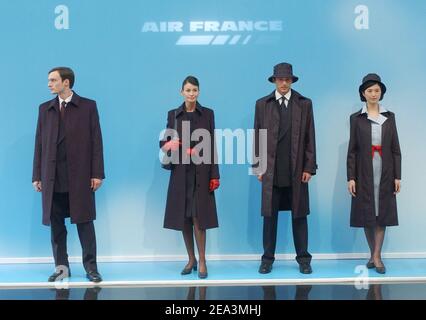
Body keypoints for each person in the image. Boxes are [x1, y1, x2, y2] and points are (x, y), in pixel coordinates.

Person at [32, 67, 105, 283]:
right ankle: (61, 268)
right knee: (56, 226)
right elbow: (39, 144)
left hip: (80, 176)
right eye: (49, 80)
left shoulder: (88, 106)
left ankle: (91, 268)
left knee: (85, 223)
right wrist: (37, 175)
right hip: (52, 177)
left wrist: (97, 173)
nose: (49, 84)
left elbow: (96, 142)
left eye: (53, 80)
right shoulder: (45, 109)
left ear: (66, 83)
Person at [253, 62, 317, 274]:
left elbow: (310, 138)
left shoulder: (304, 103)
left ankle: (304, 259)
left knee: (299, 216)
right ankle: (267, 259)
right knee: (269, 217)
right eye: (280, 79)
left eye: (287, 79)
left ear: (292, 81)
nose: (283, 83)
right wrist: (258, 166)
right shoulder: (262, 104)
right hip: (271, 170)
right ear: (274, 80)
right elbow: (257, 137)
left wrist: (309, 167)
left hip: (297, 170)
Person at [160, 76, 220, 279]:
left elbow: (212, 145)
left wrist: (215, 174)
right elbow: (164, 142)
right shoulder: (173, 115)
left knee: (199, 218)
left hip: (201, 173)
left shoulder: (208, 114)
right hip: (180, 173)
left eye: (194, 90)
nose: (191, 93)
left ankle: (202, 261)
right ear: (181, 92)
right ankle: (191, 258)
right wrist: (171, 145)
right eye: (188, 90)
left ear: (199, 92)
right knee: (184, 218)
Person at [347, 73, 401, 274]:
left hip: (385, 170)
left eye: (377, 90)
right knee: (366, 213)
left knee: (382, 213)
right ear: (363, 93)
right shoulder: (356, 118)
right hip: (364, 171)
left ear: (382, 93)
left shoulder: (390, 116)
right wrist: (351, 177)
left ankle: (376, 256)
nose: (374, 94)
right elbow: (352, 150)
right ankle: (373, 254)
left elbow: (396, 148)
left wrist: (398, 176)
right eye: (370, 90)